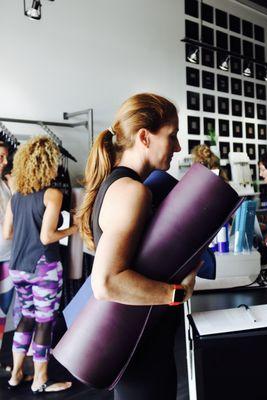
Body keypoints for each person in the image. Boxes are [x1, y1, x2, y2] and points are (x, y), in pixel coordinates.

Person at [76, 93, 198, 400]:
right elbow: (106, 282)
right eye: (172, 135)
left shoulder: (121, 185)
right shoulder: (131, 191)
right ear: (145, 137)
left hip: (142, 345)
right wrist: (177, 293)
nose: (178, 147)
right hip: (140, 352)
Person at [3, 136, 78, 393]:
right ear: (48, 163)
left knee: (26, 318)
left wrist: (28, 229)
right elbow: (47, 237)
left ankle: (16, 375)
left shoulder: (16, 196)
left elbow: (7, 233)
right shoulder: (52, 194)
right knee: (45, 322)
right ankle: (40, 380)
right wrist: (73, 229)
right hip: (43, 268)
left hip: (18, 266)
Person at [0, 143, 14, 377]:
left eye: (5, 157)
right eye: (0, 157)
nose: (5, 162)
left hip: (9, 256)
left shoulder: (5, 184)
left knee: (2, 314)